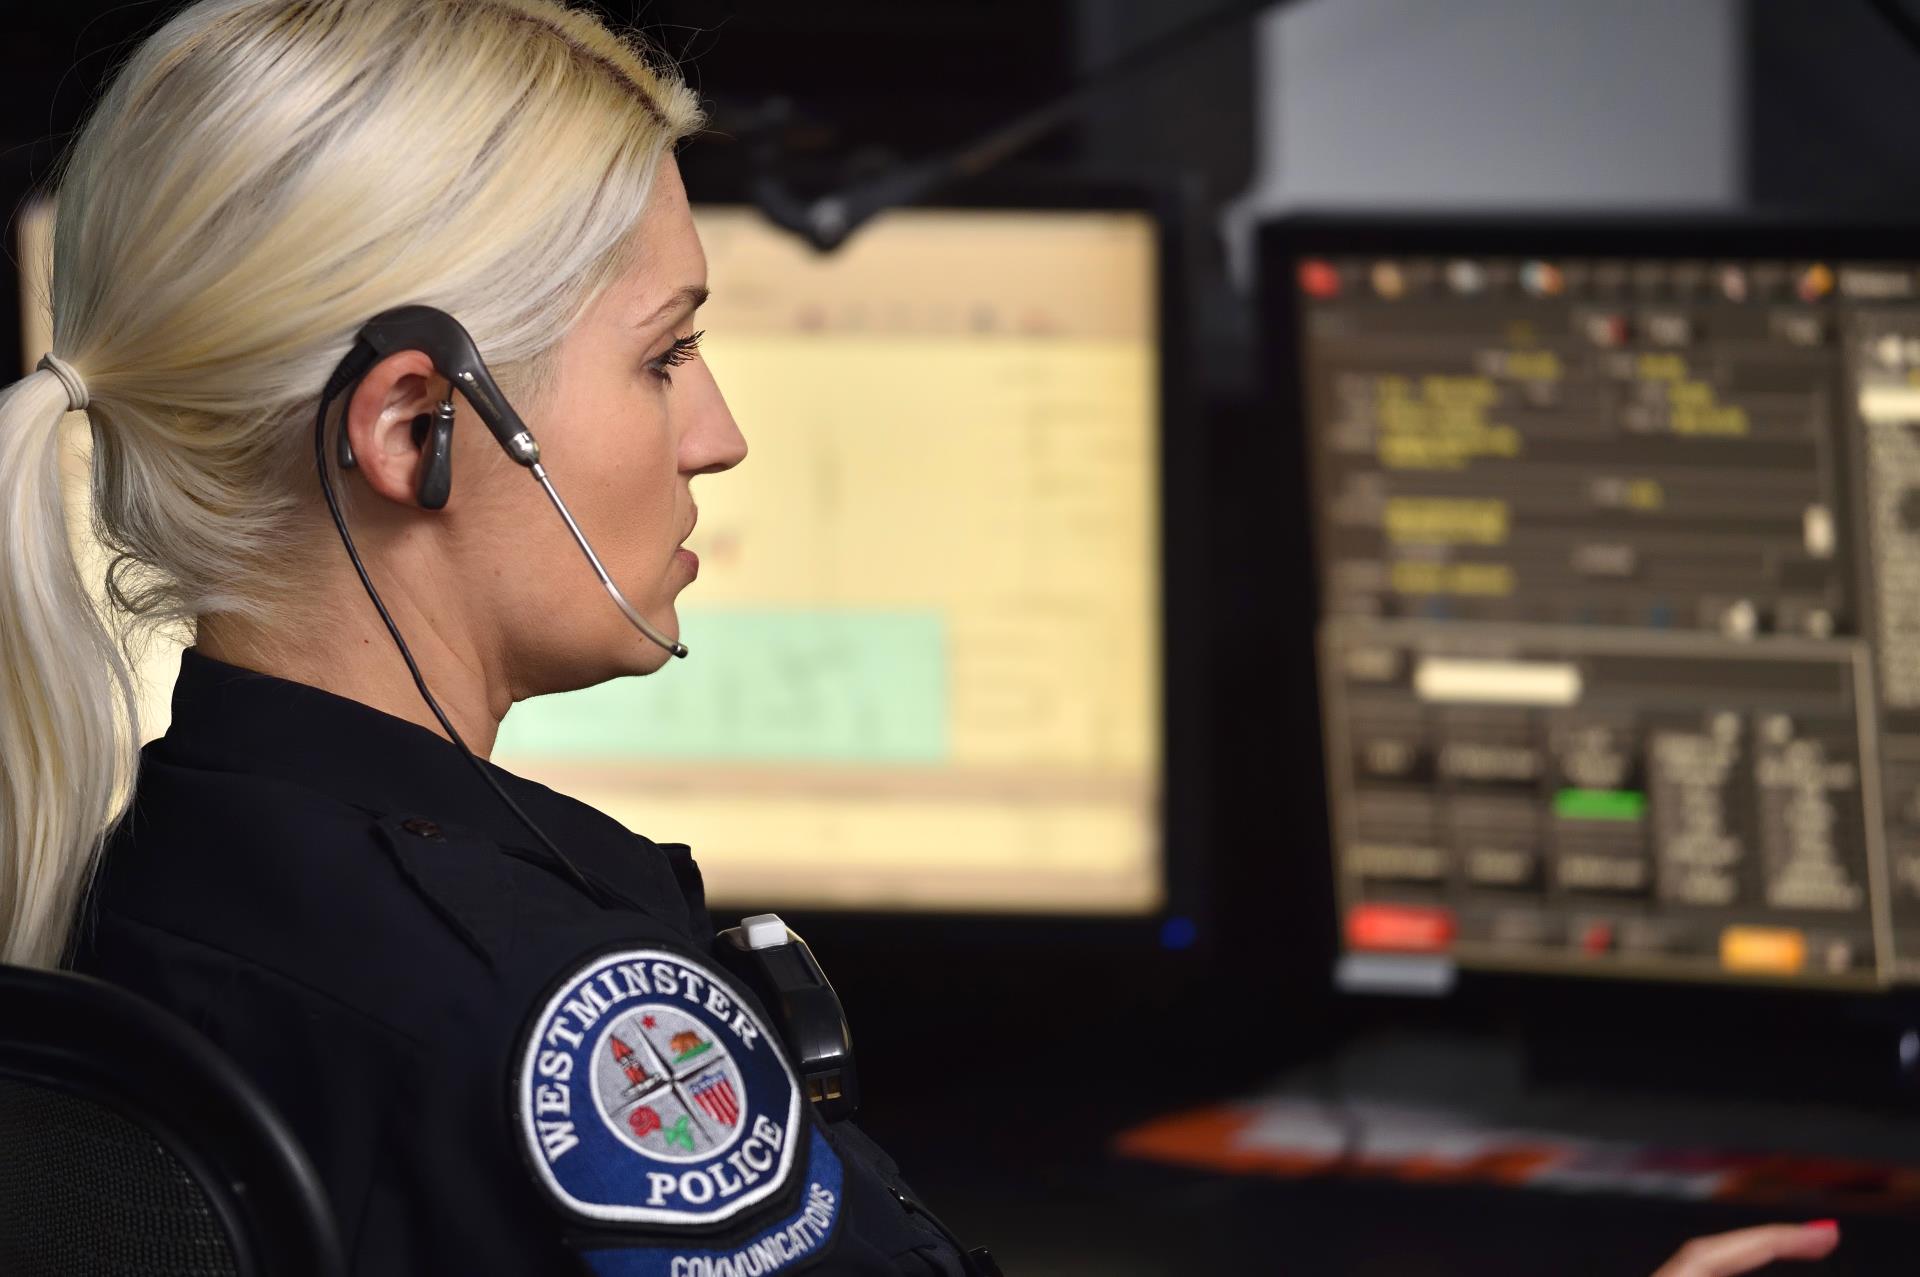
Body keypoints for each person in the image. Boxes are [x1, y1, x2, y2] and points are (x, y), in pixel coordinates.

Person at [0, 2, 1857, 1274]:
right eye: (664, 354)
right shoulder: (570, 1034)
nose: (717, 429)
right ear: (417, 427)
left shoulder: (141, 884)